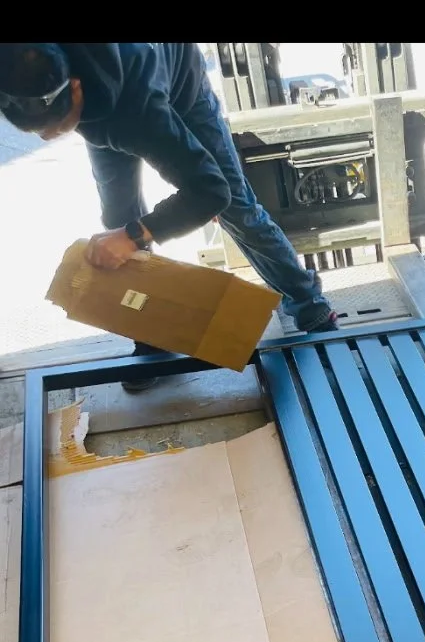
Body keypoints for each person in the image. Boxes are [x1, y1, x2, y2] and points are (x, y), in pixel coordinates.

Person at [0, 42, 337, 390]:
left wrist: (135, 234)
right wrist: (125, 230)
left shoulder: (139, 114)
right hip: (105, 101)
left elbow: (210, 192)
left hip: (180, 89)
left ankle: (312, 309)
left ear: (75, 85)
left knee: (238, 209)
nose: (46, 136)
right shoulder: (32, 61)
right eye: (37, 133)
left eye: (53, 126)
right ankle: (152, 337)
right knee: (117, 213)